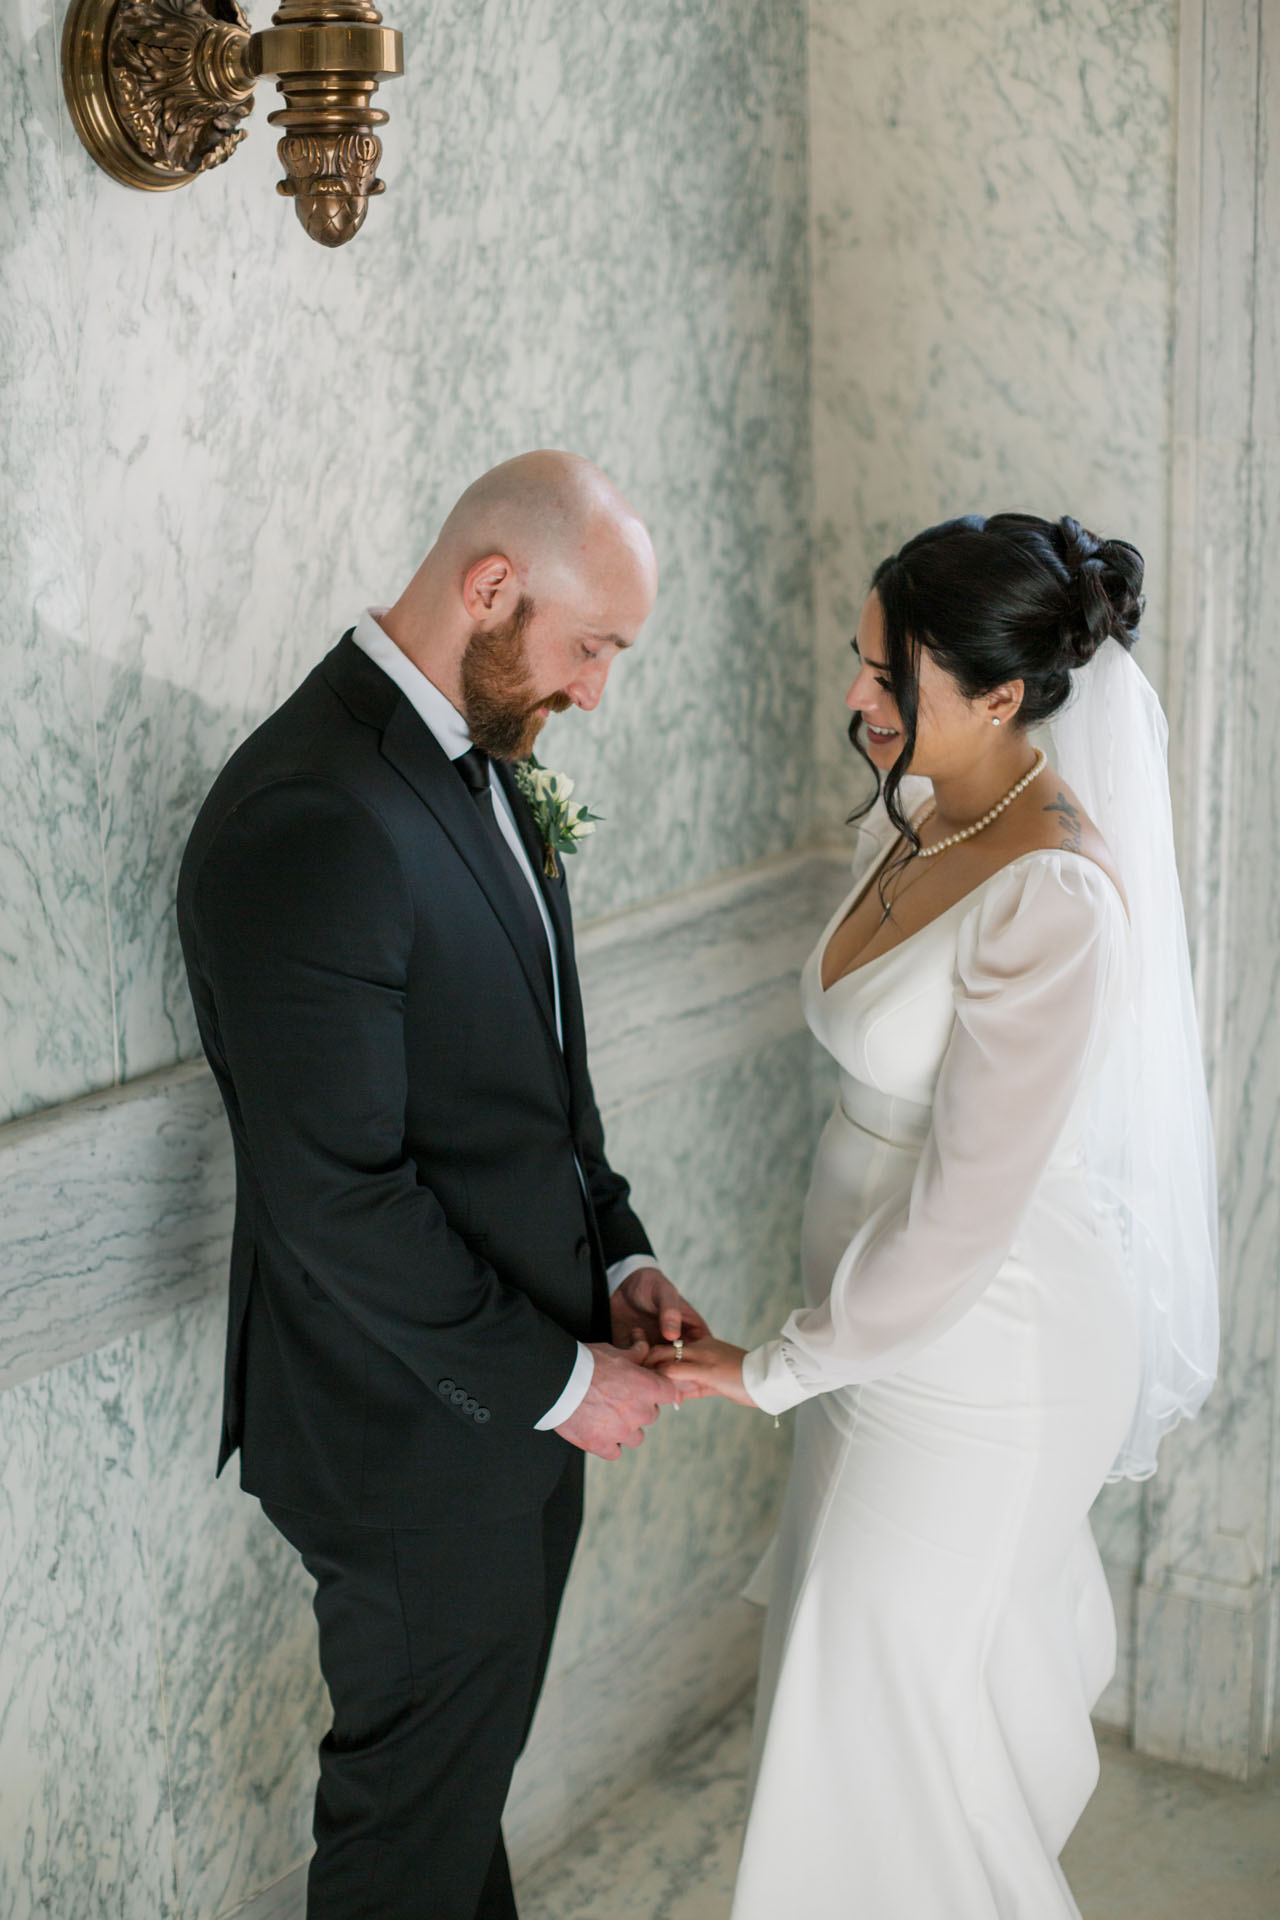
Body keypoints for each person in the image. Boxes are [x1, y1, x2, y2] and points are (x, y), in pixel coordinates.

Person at [653, 514, 1218, 1918]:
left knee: (894, 1739)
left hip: (982, 1353)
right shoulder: (924, 812)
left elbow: (965, 1213)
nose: (856, 697)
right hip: (873, 1334)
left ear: (1000, 693)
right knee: (835, 1708)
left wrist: (772, 1364)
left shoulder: (1056, 895)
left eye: (884, 675)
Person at [176, 450, 709, 1920]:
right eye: (591, 646)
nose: (597, 690)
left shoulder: (482, 766)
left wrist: (616, 1261)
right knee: (403, 1846)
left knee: (446, 1813)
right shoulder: (314, 814)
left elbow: (540, 1081)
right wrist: (556, 1378)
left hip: (523, 1406)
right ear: (491, 588)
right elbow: (338, 1196)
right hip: (410, 1440)